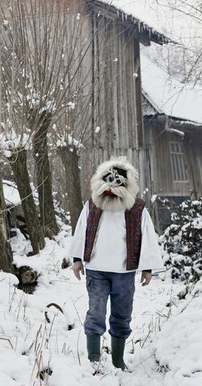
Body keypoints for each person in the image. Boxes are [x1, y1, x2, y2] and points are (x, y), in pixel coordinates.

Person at [69, 157, 164, 370]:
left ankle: (117, 360)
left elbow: (147, 236)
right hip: (96, 269)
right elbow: (81, 230)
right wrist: (77, 259)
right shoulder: (92, 205)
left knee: (122, 314)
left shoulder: (137, 209)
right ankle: (93, 359)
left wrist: (146, 268)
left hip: (124, 271)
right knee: (96, 312)